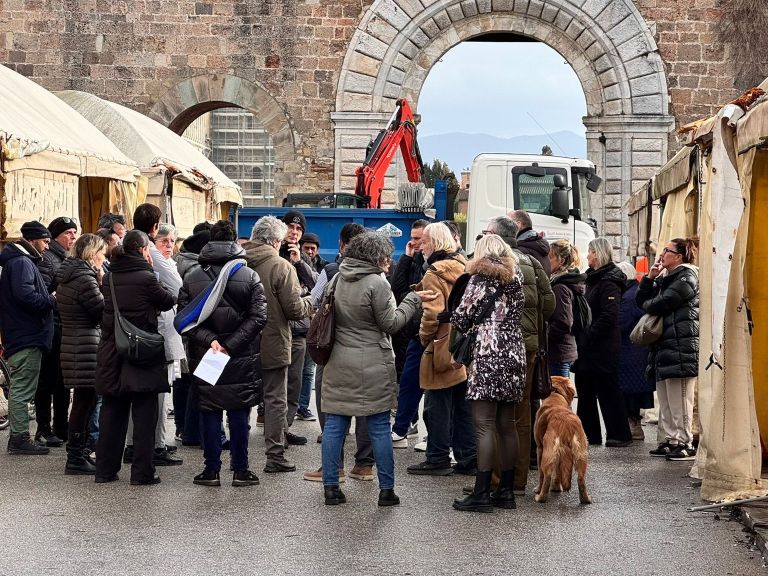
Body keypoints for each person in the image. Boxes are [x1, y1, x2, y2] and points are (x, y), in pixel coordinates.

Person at [320, 231, 436, 506]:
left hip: (338, 362)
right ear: (376, 257)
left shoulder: (337, 277)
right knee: (380, 428)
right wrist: (413, 299)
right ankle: (386, 490)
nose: (388, 261)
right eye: (385, 255)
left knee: (335, 426)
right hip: (372, 363)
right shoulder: (377, 283)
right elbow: (391, 324)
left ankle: (331, 488)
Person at [178, 220, 268, 487]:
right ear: (235, 241)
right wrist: (232, 343)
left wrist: (212, 341)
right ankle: (241, 469)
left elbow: (184, 320)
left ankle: (210, 470)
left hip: (206, 354)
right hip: (241, 354)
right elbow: (259, 316)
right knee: (240, 412)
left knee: (209, 410)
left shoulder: (193, 275)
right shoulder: (249, 275)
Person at [451, 234, 526, 512]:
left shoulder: (479, 278)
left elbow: (462, 316)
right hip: (514, 351)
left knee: (483, 424)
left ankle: (482, 492)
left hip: (488, 351)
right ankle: (506, 491)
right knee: (507, 425)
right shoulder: (515, 278)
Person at [94, 230, 176, 485]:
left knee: (112, 412)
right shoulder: (147, 277)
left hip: (112, 350)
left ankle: (105, 471)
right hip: (142, 350)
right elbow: (167, 301)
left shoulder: (109, 277)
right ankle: (142, 472)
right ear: (143, 250)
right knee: (144, 414)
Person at [484, 216, 554, 495]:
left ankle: (497, 480)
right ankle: (520, 481)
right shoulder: (534, 263)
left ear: (495, 236)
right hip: (529, 346)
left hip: (498, 346)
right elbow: (550, 306)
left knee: (496, 413)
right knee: (522, 413)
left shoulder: (493, 261)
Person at [303, 222, 372, 482]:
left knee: (329, 405)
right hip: (366, 354)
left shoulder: (331, 271)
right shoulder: (378, 276)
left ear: (341, 245)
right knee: (366, 407)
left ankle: (334, 466)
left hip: (331, 349)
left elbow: (314, 302)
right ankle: (364, 465)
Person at [407, 222, 476, 477]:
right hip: (460, 341)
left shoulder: (433, 273)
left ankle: (437, 457)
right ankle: (468, 457)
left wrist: (424, 338)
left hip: (440, 342)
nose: (420, 246)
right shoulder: (464, 266)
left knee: (435, 403)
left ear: (434, 243)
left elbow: (432, 313)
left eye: (423, 242)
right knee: (461, 404)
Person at [243, 216, 312, 473]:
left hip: (238, 342)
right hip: (271, 340)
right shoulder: (281, 266)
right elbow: (294, 310)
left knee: (237, 398)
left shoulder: (235, 261)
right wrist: (309, 301)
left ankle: (238, 459)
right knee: (275, 399)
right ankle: (275, 456)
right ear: (274, 241)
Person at [125, 205, 184, 466]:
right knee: (157, 393)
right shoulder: (149, 251)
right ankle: (154, 446)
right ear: (155, 227)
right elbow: (178, 288)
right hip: (154, 333)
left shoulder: (125, 248)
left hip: (130, 333)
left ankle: (134, 445)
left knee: (133, 393)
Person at [636, 238, 700, 461]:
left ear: (679, 257)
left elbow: (660, 303)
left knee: (680, 399)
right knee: (665, 399)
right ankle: (672, 439)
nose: (662, 254)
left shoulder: (687, 276)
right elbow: (642, 300)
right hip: (666, 346)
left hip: (681, 347)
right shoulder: (666, 277)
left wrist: (650, 300)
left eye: (667, 250)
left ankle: (685, 442)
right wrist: (650, 278)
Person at [0, 221, 57, 455]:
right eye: (45, 241)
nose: (47, 247)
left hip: (23, 334)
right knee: (22, 389)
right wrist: (52, 300)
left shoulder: (18, 261)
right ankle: (19, 438)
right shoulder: (22, 262)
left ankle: (19, 436)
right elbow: (26, 297)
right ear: (32, 240)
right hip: (26, 336)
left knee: (22, 387)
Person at [572, 237, 632, 447]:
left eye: (589, 252)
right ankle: (589, 435)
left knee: (608, 391)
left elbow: (609, 315)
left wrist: (588, 335)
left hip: (602, 347)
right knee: (586, 391)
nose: (586, 255)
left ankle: (619, 434)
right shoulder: (592, 278)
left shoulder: (608, 281)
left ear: (597, 253)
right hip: (588, 347)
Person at [56, 234, 107, 475]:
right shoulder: (85, 278)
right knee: (83, 402)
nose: (104, 258)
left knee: (83, 401)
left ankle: (79, 453)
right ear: (91, 254)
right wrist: (103, 282)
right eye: (102, 253)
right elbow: (101, 311)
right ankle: (76, 457)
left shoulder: (69, 275)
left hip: (75, 344)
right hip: (85, 346)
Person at [35, 216, 79, 446]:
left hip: (64, 327)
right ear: (55, 236)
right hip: (52, 328)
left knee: (63, 382)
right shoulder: (48, 260)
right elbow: (42, 296)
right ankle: (44, 428)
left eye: (74, 233)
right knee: (48, 380)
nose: (73, 237)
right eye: (68, 233)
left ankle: (61, 426)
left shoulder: (65, 258)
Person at [389, 218, 429, 447]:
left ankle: (410, 424)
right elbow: (398, 289)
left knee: (415, 380)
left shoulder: (430, 265)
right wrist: (405, 257)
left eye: (418, 239)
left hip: (419, 329)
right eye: (412, 238)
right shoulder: (411, 260)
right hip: (405, 328)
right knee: (405, 377)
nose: (413, 243)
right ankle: (408, 422)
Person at [616, 261, 654, 442]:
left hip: (630, 352)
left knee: (630, 393)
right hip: (636, 351)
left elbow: (621, 323)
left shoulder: (628, 296)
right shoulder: (634, 292)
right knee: (634, 392)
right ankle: (633, 426)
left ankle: (634, 427)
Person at [547, 239, 586, 376]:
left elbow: (563, 322)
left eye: (550, 257)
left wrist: (544, 337)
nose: (547, 261)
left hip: (559, 352)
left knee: (557, 396)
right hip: (563, 350)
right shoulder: (566, 283)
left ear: (561, 261)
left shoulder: (560, 287)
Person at [509, 209, 551, 274]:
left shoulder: (522, 250)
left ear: (518, 225)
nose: (505, 225)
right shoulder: (538, 243)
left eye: (508, 222)